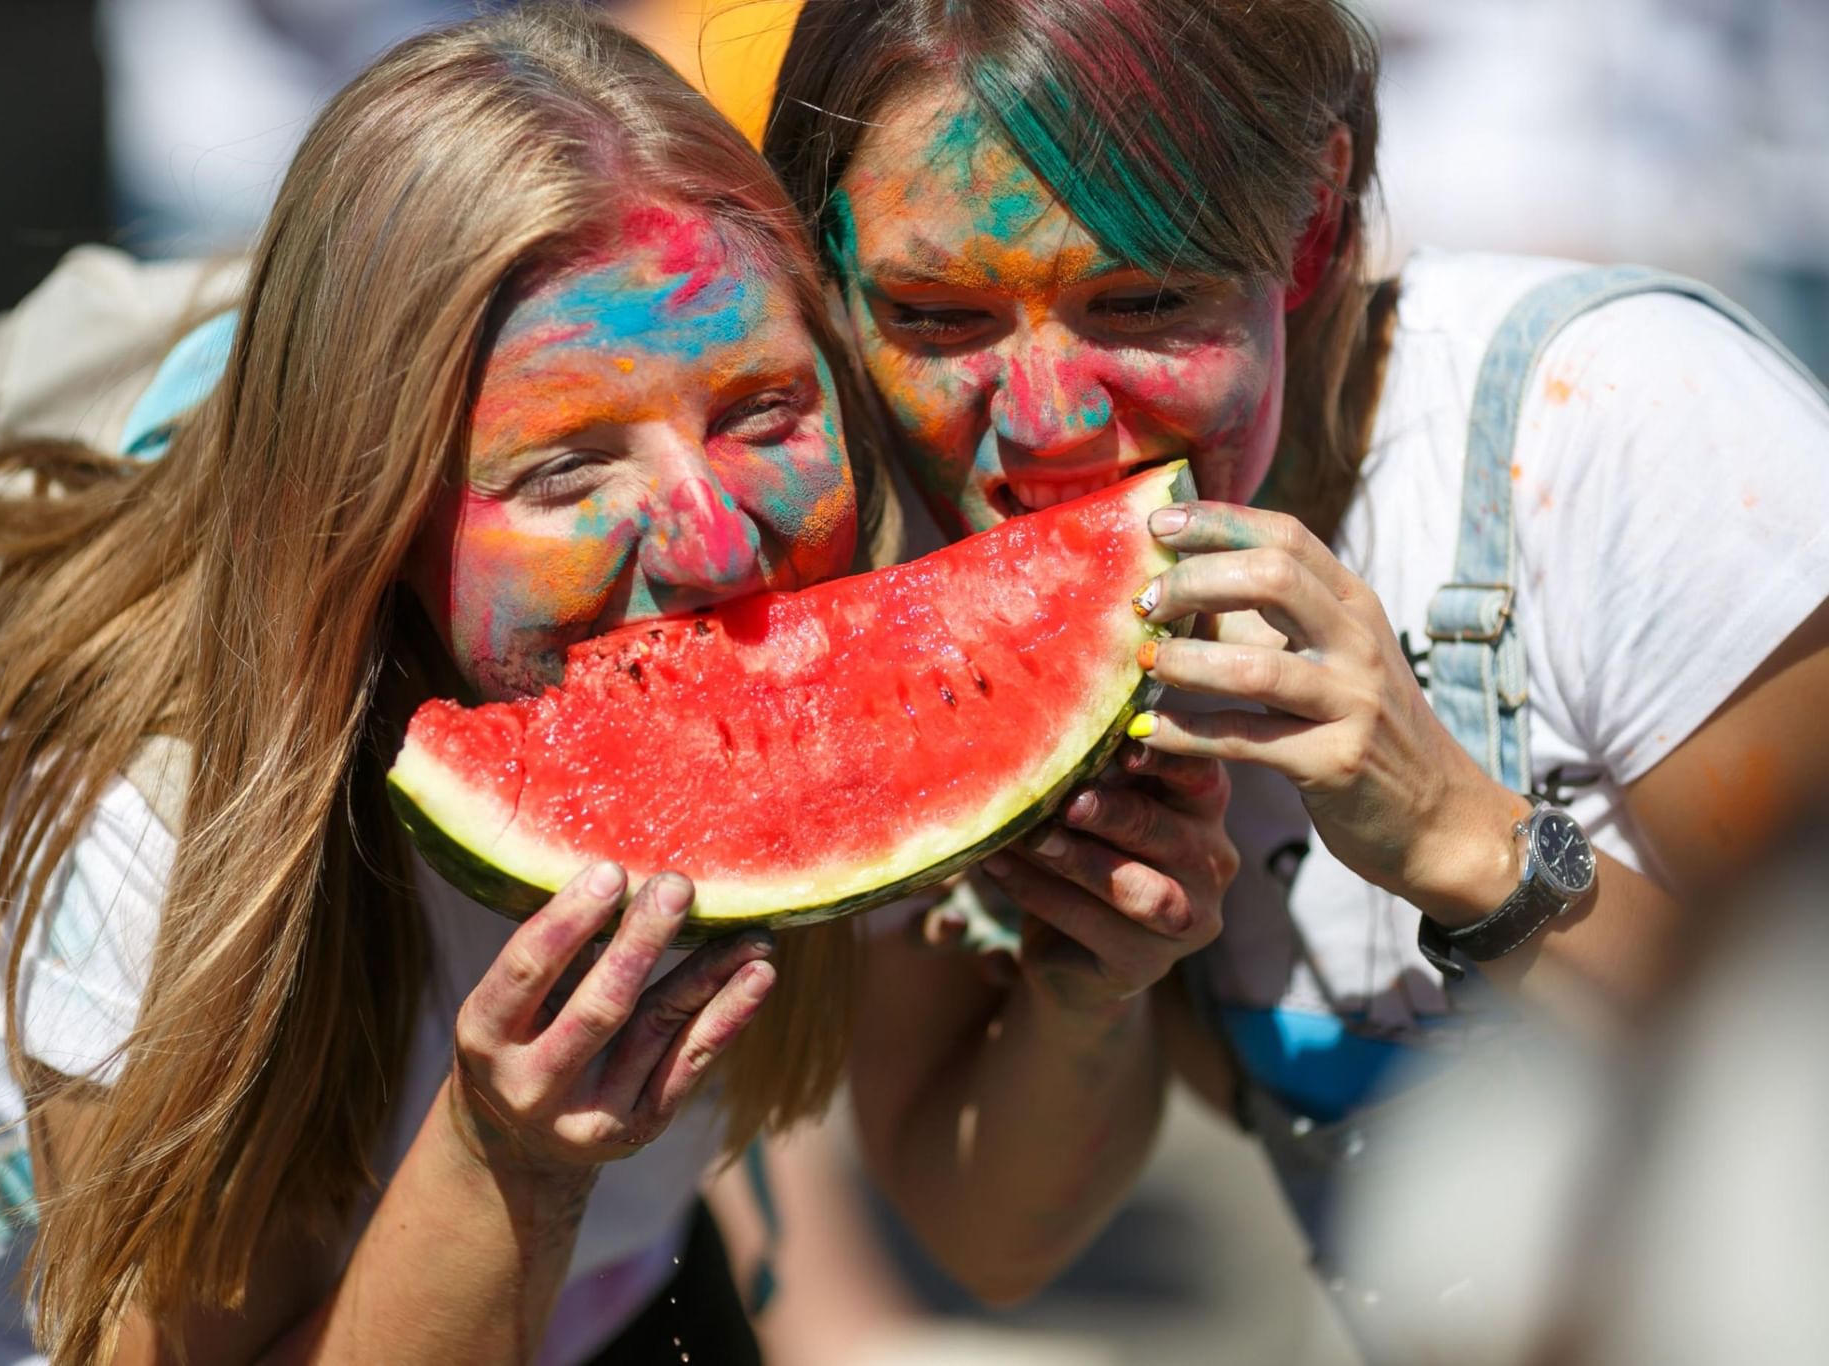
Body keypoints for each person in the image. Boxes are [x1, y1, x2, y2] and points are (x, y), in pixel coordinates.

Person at [0, 7, 1221, 1362]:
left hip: (603, 1287)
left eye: (761, 413)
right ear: (367, 511)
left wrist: (1080, 996)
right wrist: (502, 1156)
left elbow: (991, 1235)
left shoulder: (863, 580)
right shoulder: (148, 814)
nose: (714, 546)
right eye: (566, 470)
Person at [763, 0, 1829, 1326]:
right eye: (933, 314)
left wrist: (1471, 843)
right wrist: (1084, 998)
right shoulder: (903, 554)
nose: (1041, 427)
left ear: (1313, 220)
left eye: (1144, 298)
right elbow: (992, 1246)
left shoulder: (1622, 429)